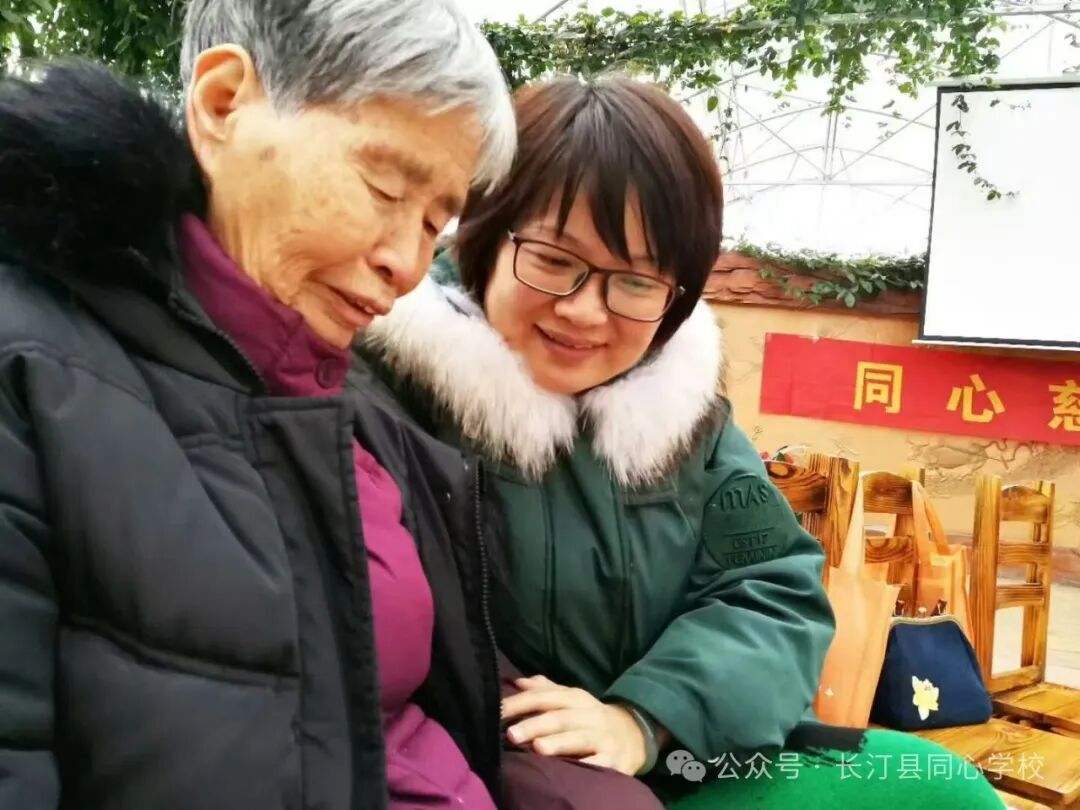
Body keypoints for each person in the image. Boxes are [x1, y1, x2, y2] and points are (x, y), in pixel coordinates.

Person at [356, 75, 1005, 808]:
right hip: (502, 777)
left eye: (635, 282)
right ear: (484, 237)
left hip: (678, 757)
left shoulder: (685, 418)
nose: (585, 311)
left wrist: (647, 717)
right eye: (554, 260)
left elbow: (775, 593)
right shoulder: (387, 398)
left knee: (938, 787)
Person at [0, 0, 518, 808]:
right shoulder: (32, 374)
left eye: (433, 224)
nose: (408, 264)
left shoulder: (354, 398)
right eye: (384, 187)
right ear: (222, 105)